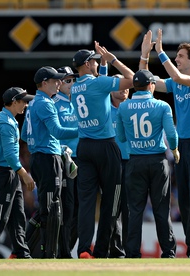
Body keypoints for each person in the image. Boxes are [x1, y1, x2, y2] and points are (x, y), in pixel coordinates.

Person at [140, 29, 190, 258]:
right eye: (176, 56)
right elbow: (145, 82)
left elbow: (177, 78)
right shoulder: (175, 83)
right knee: (185, 201)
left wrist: (161, 53)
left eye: (181, 56)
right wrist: (145, 56)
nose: (177, 59)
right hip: (182, 146)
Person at [70, 41, 134, 259]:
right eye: (95, 62)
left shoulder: (75, 87)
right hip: (106, 146)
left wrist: (103, 65)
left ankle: (84, 249)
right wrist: (113, 60)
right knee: (112, 200)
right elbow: (134, 79)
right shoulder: (98, 84)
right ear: (88, 64)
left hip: (84, 147)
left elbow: (100, 89)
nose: (97, 65)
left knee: (87, 202)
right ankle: (101, 249)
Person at [116, 69, 179, 258]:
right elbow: (171, 135)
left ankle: (132, 253)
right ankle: (168, 252)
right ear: (151, 85)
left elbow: (120, 136)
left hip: (134, 161)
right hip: (158, 161)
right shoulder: (162, 106)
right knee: (161, 209)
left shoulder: (123, 107)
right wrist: (174, 150)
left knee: (135, 210)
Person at [21, 66, 77, 258]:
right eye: (55, 81)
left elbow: (24, 135)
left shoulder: (34, 102)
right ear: (44, 83)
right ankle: (48, 252)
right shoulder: (45, 103)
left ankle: (29, 248)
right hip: (48, 158)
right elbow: (58, 131)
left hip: (38, 157)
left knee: (48, 206)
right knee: (52, 208)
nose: (59, 83)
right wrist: (84, 131)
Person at [0, 87, 35, 259]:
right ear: (13, 102)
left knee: (18, 215)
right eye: (23, 101)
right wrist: (24, 174)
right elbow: (10, 155)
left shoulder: (2, 117)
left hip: (7, 172)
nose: (26, 105)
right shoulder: (6, 123)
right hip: (4, 174)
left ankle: (21, 252)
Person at [54, 66, 79, 258]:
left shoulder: (78, 102)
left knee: (80, 208)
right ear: (59, 83)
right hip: (64, 160)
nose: (72, 83)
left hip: (82, 160)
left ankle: (67, 248)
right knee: (67, 206)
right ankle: (61, 250)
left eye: (73, 80)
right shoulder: (53, 104)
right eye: (67, 80)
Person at [109, 74, 130, 258]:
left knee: (130, 209)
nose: (124, 87)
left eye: (126, 84)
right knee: (113, 209)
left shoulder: (134, 107)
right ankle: (116, 251)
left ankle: (131, 250)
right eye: (120, 84)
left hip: (132, 163)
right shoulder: (103, 110)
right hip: (111, 164)